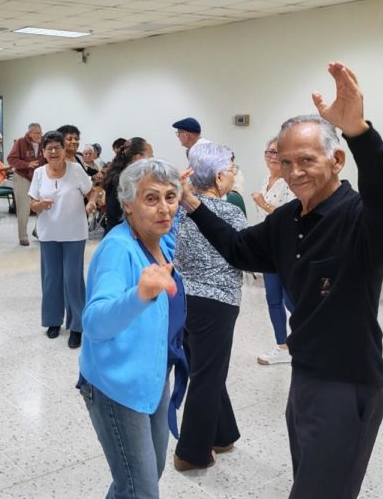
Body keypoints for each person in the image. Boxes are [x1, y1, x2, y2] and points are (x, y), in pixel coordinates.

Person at [178, 63, 383, 498]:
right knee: (310, 482)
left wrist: (360, 132)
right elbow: (237, 248)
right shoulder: (287, 219)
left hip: (348, 383)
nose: (293, 171)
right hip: (305, 377)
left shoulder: (360, 219)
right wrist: (194, 204)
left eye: (306, 160)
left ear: (337, 160)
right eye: (284, 161)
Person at [78, 158, 187, 499]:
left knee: (147, 474)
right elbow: (94, 322)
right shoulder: (118, 249)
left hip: (152, 376)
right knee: (141, 488)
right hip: (116, 386)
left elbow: (180, 215)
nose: (164, 208)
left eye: (171, 197)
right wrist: (138, 295)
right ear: (127, 204)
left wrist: (189, 194)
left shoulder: (162, 241)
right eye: (151, 198)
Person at [173, 142, 248, 471]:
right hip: (217, 303)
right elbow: (246, 254)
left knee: (204, 369)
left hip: (183, 299)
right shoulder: (231, 212)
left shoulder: (175, 206)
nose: (235, 175)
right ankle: (190, 453)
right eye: (232, 169)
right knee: (207, 376)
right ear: (219, 178)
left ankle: (223, 434)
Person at [29, 131, 96, 349]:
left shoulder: (76, 170)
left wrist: (90, 203)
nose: (54, 151)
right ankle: (53, 322)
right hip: (49, 233)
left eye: (58, 147)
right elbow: (33, 203)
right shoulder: (39, 173)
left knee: (72, 279)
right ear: (44, 152)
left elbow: (92, 191)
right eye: (49, 148)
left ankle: (77, 326)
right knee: (51, 279)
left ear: (63, 149)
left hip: (75, 233)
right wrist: (40, 206)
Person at [252, 136, 296, 365]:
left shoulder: (290, 183)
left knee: (291, 300)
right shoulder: (266, 180)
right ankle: (282, 346)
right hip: (267, 249)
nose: (271, 156)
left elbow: (287, 217)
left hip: (286, 249)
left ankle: (308, 340)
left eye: (276, 153)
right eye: (268, 152)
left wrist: (263, 204)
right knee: (273, 299)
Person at [102, 137, 154, 234]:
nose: (153, 159)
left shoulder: (120, 175)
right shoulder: (125, 180)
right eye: (150, 156)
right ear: (138, 157)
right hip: (122, 234)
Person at [7, 123, 44, 246]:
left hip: (39, 178)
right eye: (37, 133)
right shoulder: (20, 142)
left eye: (40, 132)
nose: (40, 135)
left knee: (42, 206)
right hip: (23, 177)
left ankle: (38, 231)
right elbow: (11, 159)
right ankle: (23, 236)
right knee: (24, 209)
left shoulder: (44, 143)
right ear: (30, 133)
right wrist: (27, 164)